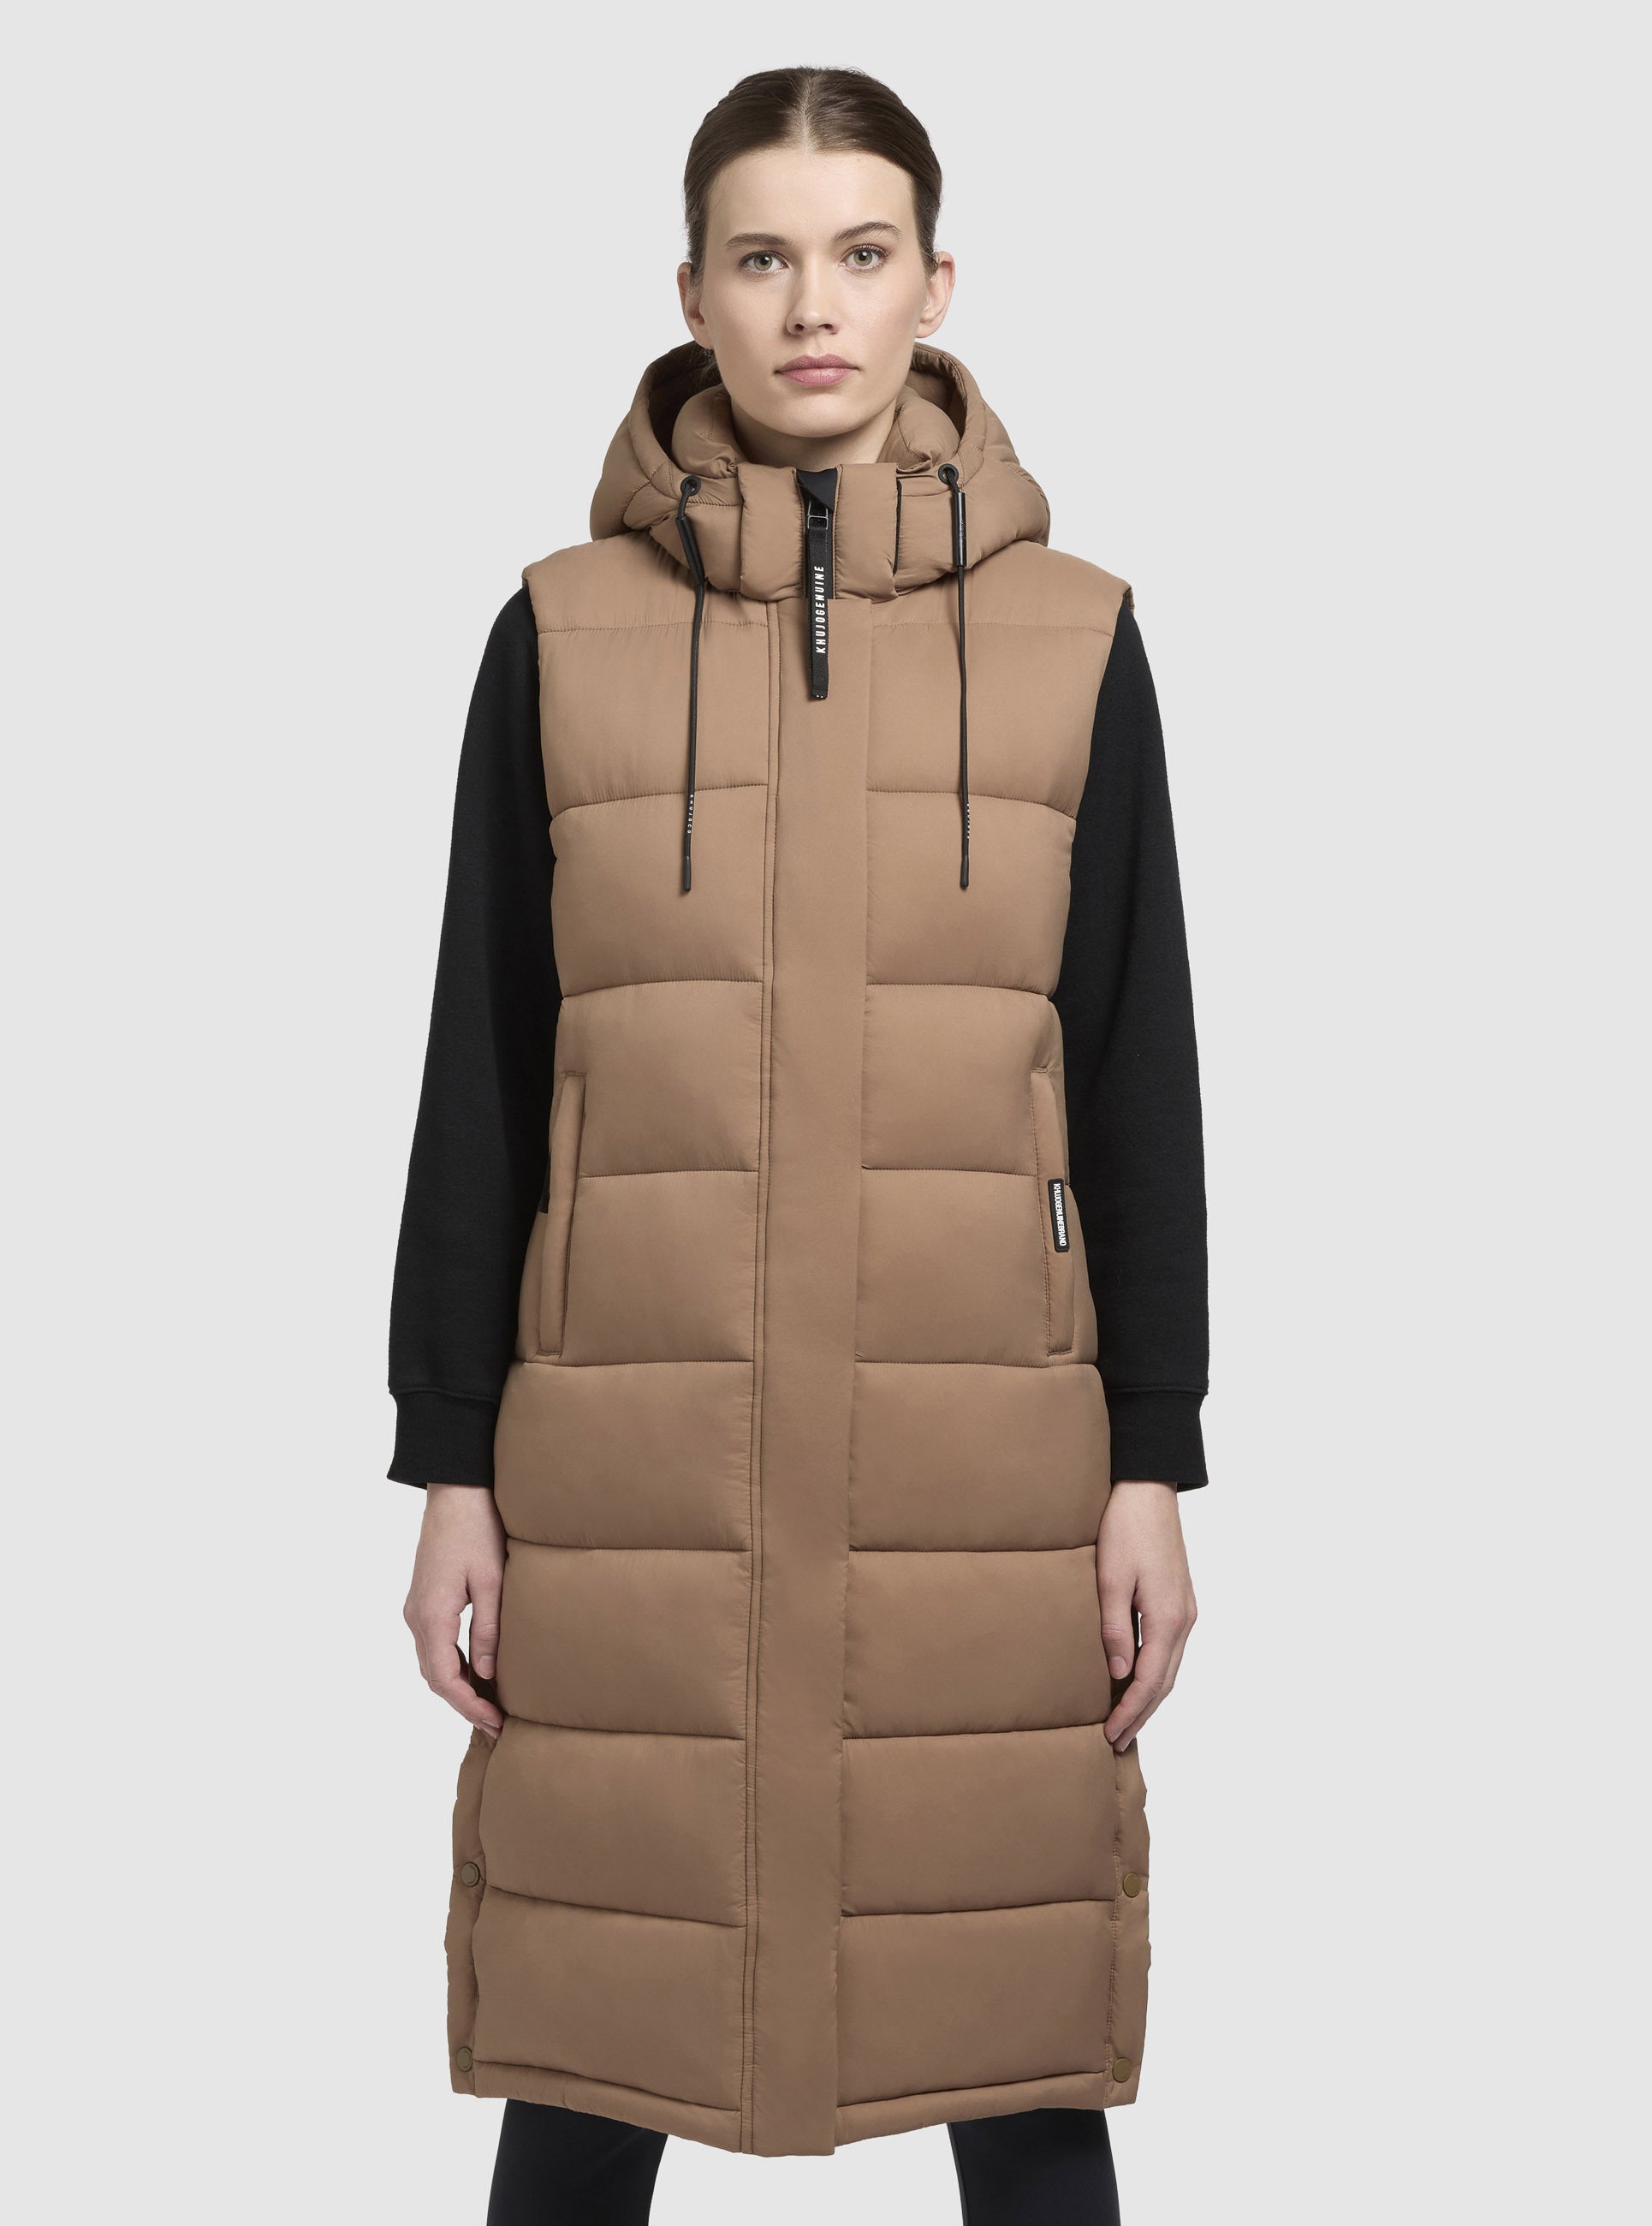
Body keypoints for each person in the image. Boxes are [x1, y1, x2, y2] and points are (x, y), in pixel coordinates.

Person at [387, 64, 1207, 2226]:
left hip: (987, 1458)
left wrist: (1154, 1455)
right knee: (598, 2010)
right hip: (627, 1459)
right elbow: (486, 1065)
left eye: (860, 254)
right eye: (762, 257)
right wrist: (449, 1456)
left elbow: (1135, 1066)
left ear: (938, 283)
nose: (812, 306)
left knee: (1013, 2027)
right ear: (692, 291)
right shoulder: (560, 629)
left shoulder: (1078, 638)